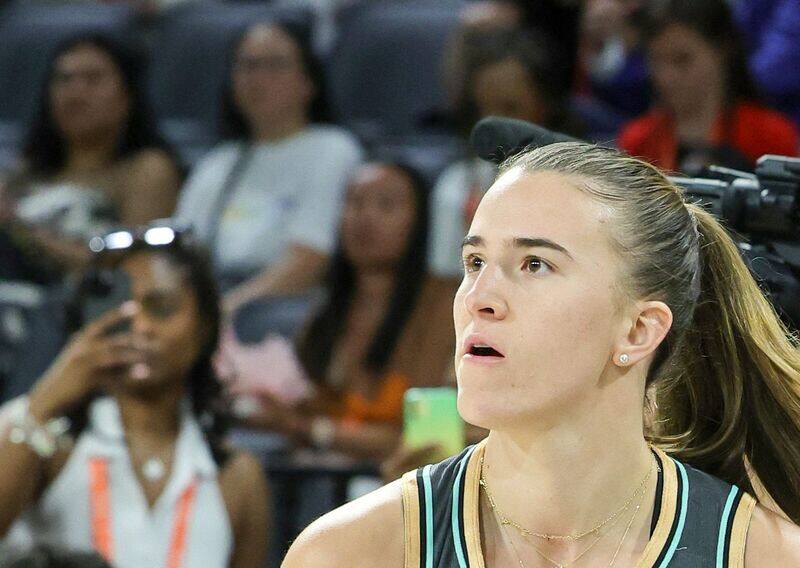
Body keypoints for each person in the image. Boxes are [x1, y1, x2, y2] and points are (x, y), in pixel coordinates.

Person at [282, 140, 800, 567]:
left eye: (534, 264)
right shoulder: (346, 553)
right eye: (475, 261)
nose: (479, 297)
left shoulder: (766, 556)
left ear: (639, 331)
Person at [0, 223, 269, 568]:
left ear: (205, 326)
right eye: (120, 309)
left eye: (161, 307)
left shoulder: (237, 476)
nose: (140, 326)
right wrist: (46, 400)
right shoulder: (43, 435)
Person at [226, 162, 456, 461]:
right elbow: (300, 408)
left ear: (419, 222)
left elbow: (430, 443)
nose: (365, 217)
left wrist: (311, 430)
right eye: (355, 203)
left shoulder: (446, 305)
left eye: (386, 205)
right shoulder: (325, 310)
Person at [174, 22, 363, 312]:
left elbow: (309, 262)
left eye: (275, 65)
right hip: (210, 300)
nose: (258, 78)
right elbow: (178, 259)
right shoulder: (216, 162)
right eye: (247, 66)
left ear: (309, 81)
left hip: (283, 309)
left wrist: (223, 312)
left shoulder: (333, 149)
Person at [0, 34, 180, 284]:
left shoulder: (146, 169)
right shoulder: (24, 171)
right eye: (64, 79)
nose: (75, 93)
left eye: (93, 79)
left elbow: (133, 271)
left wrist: (20, 231)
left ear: (127, 96)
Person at [430, 26, 581, 280]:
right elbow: (444, 283)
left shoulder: (585, 187)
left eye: (510, 107)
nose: (495, 124)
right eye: (485, 108)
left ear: (545, 105)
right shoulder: (456, 185)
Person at [619, 0, 799, 174]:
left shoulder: (769, 135)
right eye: (656, 60)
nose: (665, 76)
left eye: (682, 59)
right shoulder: (638, 139)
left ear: (722, 50)